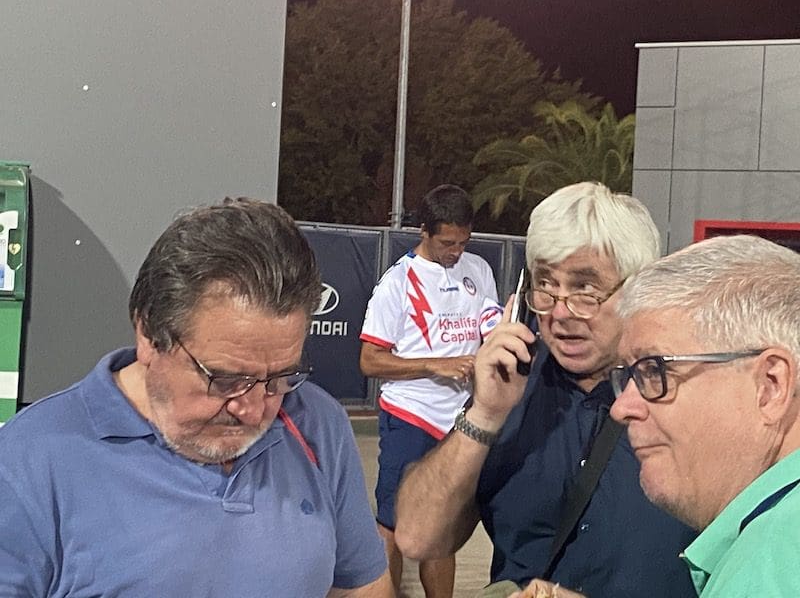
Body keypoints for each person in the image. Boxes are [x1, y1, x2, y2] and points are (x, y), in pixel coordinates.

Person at [0, 198, 392, 597]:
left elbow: (361, 587)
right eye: (225, 379)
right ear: (149, 334)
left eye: (279, 378)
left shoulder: (318, 424)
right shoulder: (27, 461)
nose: (253, 409)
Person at [394, 181, 698, 597]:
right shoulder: (511, 386)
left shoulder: (693, 395)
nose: (560, 311)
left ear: (637, 290)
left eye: (585, 288)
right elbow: (417, 538)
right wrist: (484, 415)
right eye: (546, 285)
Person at [610, 234, 800, 597]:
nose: (622, 408)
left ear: (771, 385)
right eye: (629, 374)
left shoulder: (769, 567)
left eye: (654, 370)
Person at [359, 184, 501, 597]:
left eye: (463, 242)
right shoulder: (397, 282)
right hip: (410, 416)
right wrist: (433, 364)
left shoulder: (479, 269)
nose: (456, 251)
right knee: (393, 523)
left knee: (444, 525)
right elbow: (370, 361)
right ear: (424, 231)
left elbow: (488, 325)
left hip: (460, 422)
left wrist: (497, 342)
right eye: (447, 243)